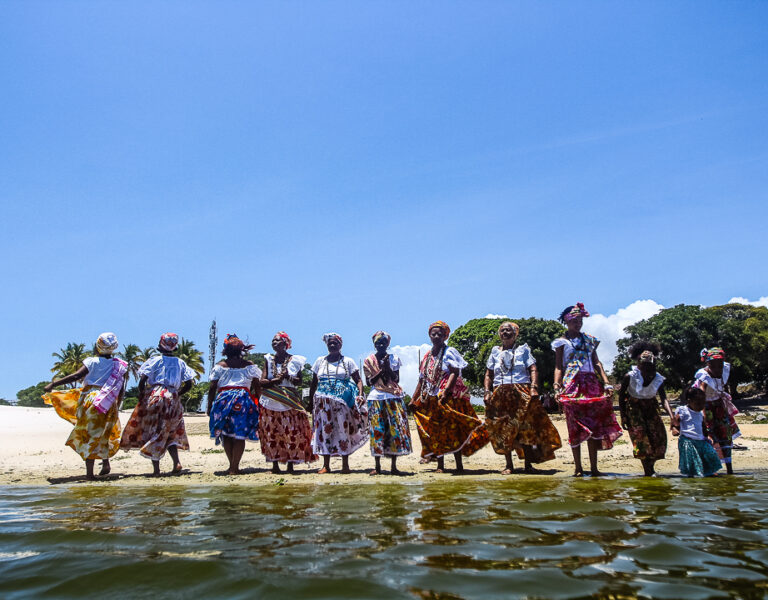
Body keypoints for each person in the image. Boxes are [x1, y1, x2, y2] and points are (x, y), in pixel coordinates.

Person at [43, 332, 127, 480]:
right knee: (105, 432)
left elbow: (76, 376)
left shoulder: (92, 362)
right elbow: (121, 389)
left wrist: (54, 383)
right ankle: (106, 463)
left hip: (92, 399)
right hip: (109, 401)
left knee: (90, 435)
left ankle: (90, 474)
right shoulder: (118, 365)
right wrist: (117, 405)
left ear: (98, 345)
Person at [552, 303, 622, 476]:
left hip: (591, 385)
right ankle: (578, 468)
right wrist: (556, 386)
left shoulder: (589, 340)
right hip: (572, 385)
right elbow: (559, 366)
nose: (578, 323)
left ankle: (594, 468)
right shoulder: (562, 342)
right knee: (574, 427)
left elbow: (596, 362)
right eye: (575, 320)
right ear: (567, 322)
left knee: (594, 426)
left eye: (580, 320)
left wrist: (606, 382)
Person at [483, 321, 562, 474]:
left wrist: (533, 388)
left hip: (522, 392)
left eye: (509, 330)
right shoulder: (494, 352)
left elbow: (533, 369)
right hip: (500, 393)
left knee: (526, 428)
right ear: (499, 334)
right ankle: (509, 465)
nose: (505, 333)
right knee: (503, 429)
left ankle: (528, 464)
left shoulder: (523, 350)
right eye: (503, 331)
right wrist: (487, 391)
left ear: (515, 334)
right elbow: (489, 374)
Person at [411, 321, 488, 473]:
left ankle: (459, 466)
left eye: (440, 334)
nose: (436, 336)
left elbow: (454, 371)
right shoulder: (427, 355)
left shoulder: (449, 351)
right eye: (434, 334)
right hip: (432, 398)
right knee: (436, 431)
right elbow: (422, 379)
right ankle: (440, 465)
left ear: (445, 335)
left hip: (448, 398)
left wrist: (446, 391)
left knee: (454, 431)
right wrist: (414, 398)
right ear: (429, 335)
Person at [120, 333, 196, 476]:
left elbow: (142, 380)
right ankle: (176, 463)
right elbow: (189, 384)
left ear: (161, 345)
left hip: (156, 395)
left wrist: (142, 394)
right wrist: (177, 393)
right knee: (172, 431)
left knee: (154, 430)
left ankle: (156, 469)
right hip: (173, 396)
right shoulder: (180, 362)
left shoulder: (154, 360)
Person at [258, 331, 317, 474]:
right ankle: (275, 465)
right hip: (271, 400)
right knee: (272, 432)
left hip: (289, 399)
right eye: (273, 341)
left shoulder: (294, 360)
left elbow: (299, 380)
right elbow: (262, 381)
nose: (274, 343)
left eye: (278, 341)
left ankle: (291, 464)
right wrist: (275, 381)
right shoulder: (268, 360)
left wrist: (288, 377)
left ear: (286, 344)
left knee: (291, 432)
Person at [309, 333, 368, 474]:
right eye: (330, 343)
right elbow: (313, 383)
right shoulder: (319, 361)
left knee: (343, 431)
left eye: (335, 342)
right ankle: (326, 465)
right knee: (324, 431)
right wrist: (310, 402)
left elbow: (358, 380)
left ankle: (345, 465)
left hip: (342, 404)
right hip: (322, 404)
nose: (332, 345)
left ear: (341, 345)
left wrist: (360, 395)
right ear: (326, 345)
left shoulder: (347, 361)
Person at [207, 334, 262, 475]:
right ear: (241, 350)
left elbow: (212, 387)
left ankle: (232, 465)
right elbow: (257, 386)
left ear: (226, 350)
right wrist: (259, 403)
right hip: (242, 401)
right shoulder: (249, 365)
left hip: (222, 401)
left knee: (226, 434)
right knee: (239, 434)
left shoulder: (220, 366)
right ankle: (234, 467)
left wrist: (209, 406)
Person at [617, 341, 673, 477]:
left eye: (650, 366)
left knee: (657, 437)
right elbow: (621, 397)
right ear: (639, 364)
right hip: (634, 410)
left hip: (651, 409)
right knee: (641, 439)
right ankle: (648, 471)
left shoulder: (658, 378)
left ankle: (650, 467)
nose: (648, 369)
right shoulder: (629, 377)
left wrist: (672, 415)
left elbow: (663, 399)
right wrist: (623, 416)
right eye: (645, 366)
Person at [363, 331, 412, 475]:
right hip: (376, 397)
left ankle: (393, 466)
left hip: (392, 396)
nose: (381, 345)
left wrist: (387, 368)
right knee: (377, 431)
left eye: (383, 343)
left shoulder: (394, 358)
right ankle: (377, 466)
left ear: (387, 344)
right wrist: (380, 370)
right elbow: (369, 382)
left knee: (394, 430)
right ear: (374, 344)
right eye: (378, 343)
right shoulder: (368, 360)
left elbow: (396, 379)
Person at [694, 347, 741, 474]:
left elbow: (722, 387)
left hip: (719, 407)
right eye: (715, 367)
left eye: (720, 366)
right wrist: (703, 416)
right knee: (710, 436)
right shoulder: (704, 376)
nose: (718, 369)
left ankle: (729, 469)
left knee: (725, 435)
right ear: (709, 365)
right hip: (707, 408)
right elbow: (701, 395)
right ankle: (711, 469)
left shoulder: (723, 371)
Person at [671, 384, 722, 477]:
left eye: (703, 403)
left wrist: (707, 436)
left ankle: (709, 471)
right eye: (698, 403)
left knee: (710, 454)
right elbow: (675, 421)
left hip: (700, 440)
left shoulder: (700, 413)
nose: (701, 406)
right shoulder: (683, 411)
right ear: (689, 401)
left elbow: (703, 426)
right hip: (687, 440)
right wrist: (674, 429)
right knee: (693, 459)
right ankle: (693, 474)